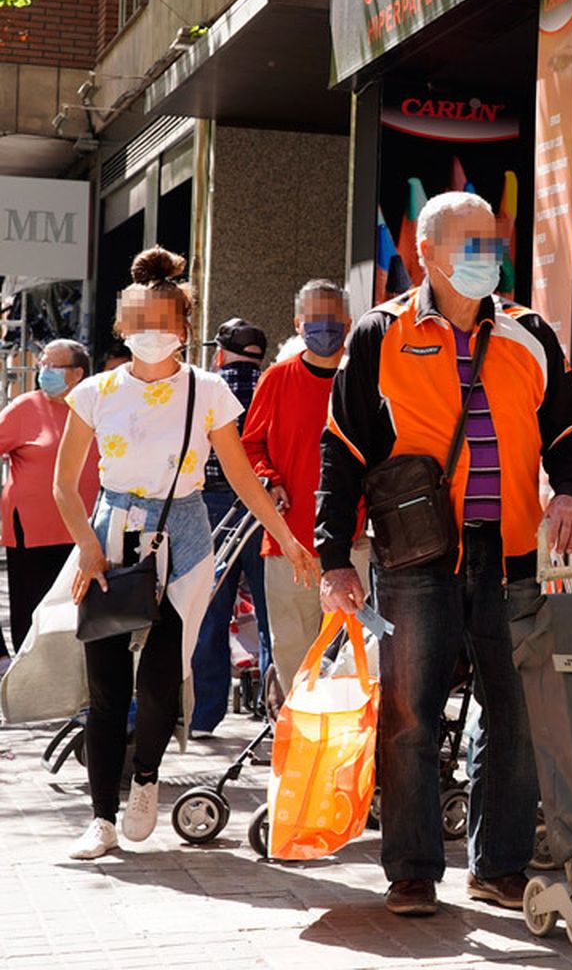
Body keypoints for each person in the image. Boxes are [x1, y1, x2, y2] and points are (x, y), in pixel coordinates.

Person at [318, 191, 572, 917]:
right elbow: (341, 449)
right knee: (412, 713)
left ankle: (498, 866)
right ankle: (411, 868)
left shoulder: (532, 333)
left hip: (510, 556)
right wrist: (332, 556)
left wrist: (570, 493)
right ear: (426, 255)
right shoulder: (380, 333)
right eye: (468, 242)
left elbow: (568, 429)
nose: (486, 255)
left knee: (520, 714)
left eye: (492, 241)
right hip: (416, 559)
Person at [53, 246, 315, 860]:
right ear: (123, 326)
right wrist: (88, 549)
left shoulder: (211, 390)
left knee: (166, 672)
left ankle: (146, 779)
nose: (152, 335)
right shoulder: (94, 392)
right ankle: (101, 818)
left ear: (184, 330)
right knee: (107, 680)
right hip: (111, 535)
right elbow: (65, 483)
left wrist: (289, 534)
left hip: (187, 536)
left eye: (164, 324)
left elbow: (243, 475)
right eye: (140, 324)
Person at [242, 280, 371, 691]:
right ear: (298, 323)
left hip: (354, 544)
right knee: (294, 658)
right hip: (287, 545)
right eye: (314, 318)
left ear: (348, 323)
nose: (324, 326)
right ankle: (296, 744)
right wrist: (270, 480)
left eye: (333, 318)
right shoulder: (277, 380)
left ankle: (342, 749)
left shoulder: (366, 380)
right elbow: (249, 447)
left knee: (350, 661)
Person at [189, 317, 270, 737]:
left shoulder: (205, 387)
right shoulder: (273, 384)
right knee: (271, 608)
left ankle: (204, 714)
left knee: (211, 610)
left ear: (220, 352)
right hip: (266, 503)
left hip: (213, 501)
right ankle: (276, 711)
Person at [0, 340, 100, 653]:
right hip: (31, 531)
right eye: (43, 364)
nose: (44, 371)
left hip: (85, 530)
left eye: (53, 366)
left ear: (77, 373)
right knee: (32, 612)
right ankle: (26, 682)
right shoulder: (25, 407)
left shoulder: (97, 406)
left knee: (79, 612)